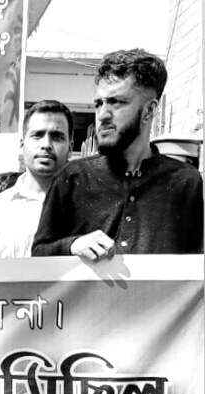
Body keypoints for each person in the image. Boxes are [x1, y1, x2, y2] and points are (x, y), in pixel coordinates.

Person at [33, 49, 204, 259]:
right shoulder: (72, 179)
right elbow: (39, 254)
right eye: (99, 104)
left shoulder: (184, 182)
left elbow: (197, 265)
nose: (103, 115)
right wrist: (72, 246)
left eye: (117, 102)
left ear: (149, 111)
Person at [0, 100, 73, 258]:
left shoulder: (87, 209)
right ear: (22, 145)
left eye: (57, 137)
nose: (46, 145)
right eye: (37, 135)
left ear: (70, 148)